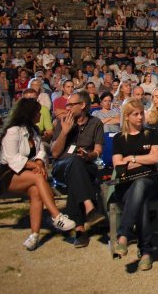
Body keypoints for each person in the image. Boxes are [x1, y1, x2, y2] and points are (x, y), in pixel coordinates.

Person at [0, 98, 76, 250]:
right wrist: (34, 165)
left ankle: (34, 235)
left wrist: (39, 162)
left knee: (36, 192)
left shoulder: (33, 131)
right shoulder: (13, 132)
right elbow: (11, 158)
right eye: (38, 112)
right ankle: (56, 216)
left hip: (29, 174)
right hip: (9, 175)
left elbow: (40, 151)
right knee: (39, 177)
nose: (40, 115)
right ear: (29, 113)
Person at [50, 90, 107, 248]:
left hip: (86, 164)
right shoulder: (61, 121)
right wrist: (65, 131)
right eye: (66, 104)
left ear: (82, 105)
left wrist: (89, 155)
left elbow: (98, 150)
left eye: (70, 104)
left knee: (78, 166)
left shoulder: (95, 122)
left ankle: (80, 229)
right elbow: (54, 153)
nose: (67, 107)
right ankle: (89, 207)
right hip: (62, 166)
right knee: (74, 162)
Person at [111, 99, 158, 271]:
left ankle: (124, 234)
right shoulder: (119, 138)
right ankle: (146, 252)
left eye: (141, 113)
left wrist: (131, 159)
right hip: (126, 185)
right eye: (136, 114)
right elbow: (118, 165)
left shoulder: (151, 133)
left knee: (140, 185)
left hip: (150, 181)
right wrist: (143, 159)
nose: (140, 117)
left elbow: (155, 159)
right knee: (141, 202)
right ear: (127, 116)